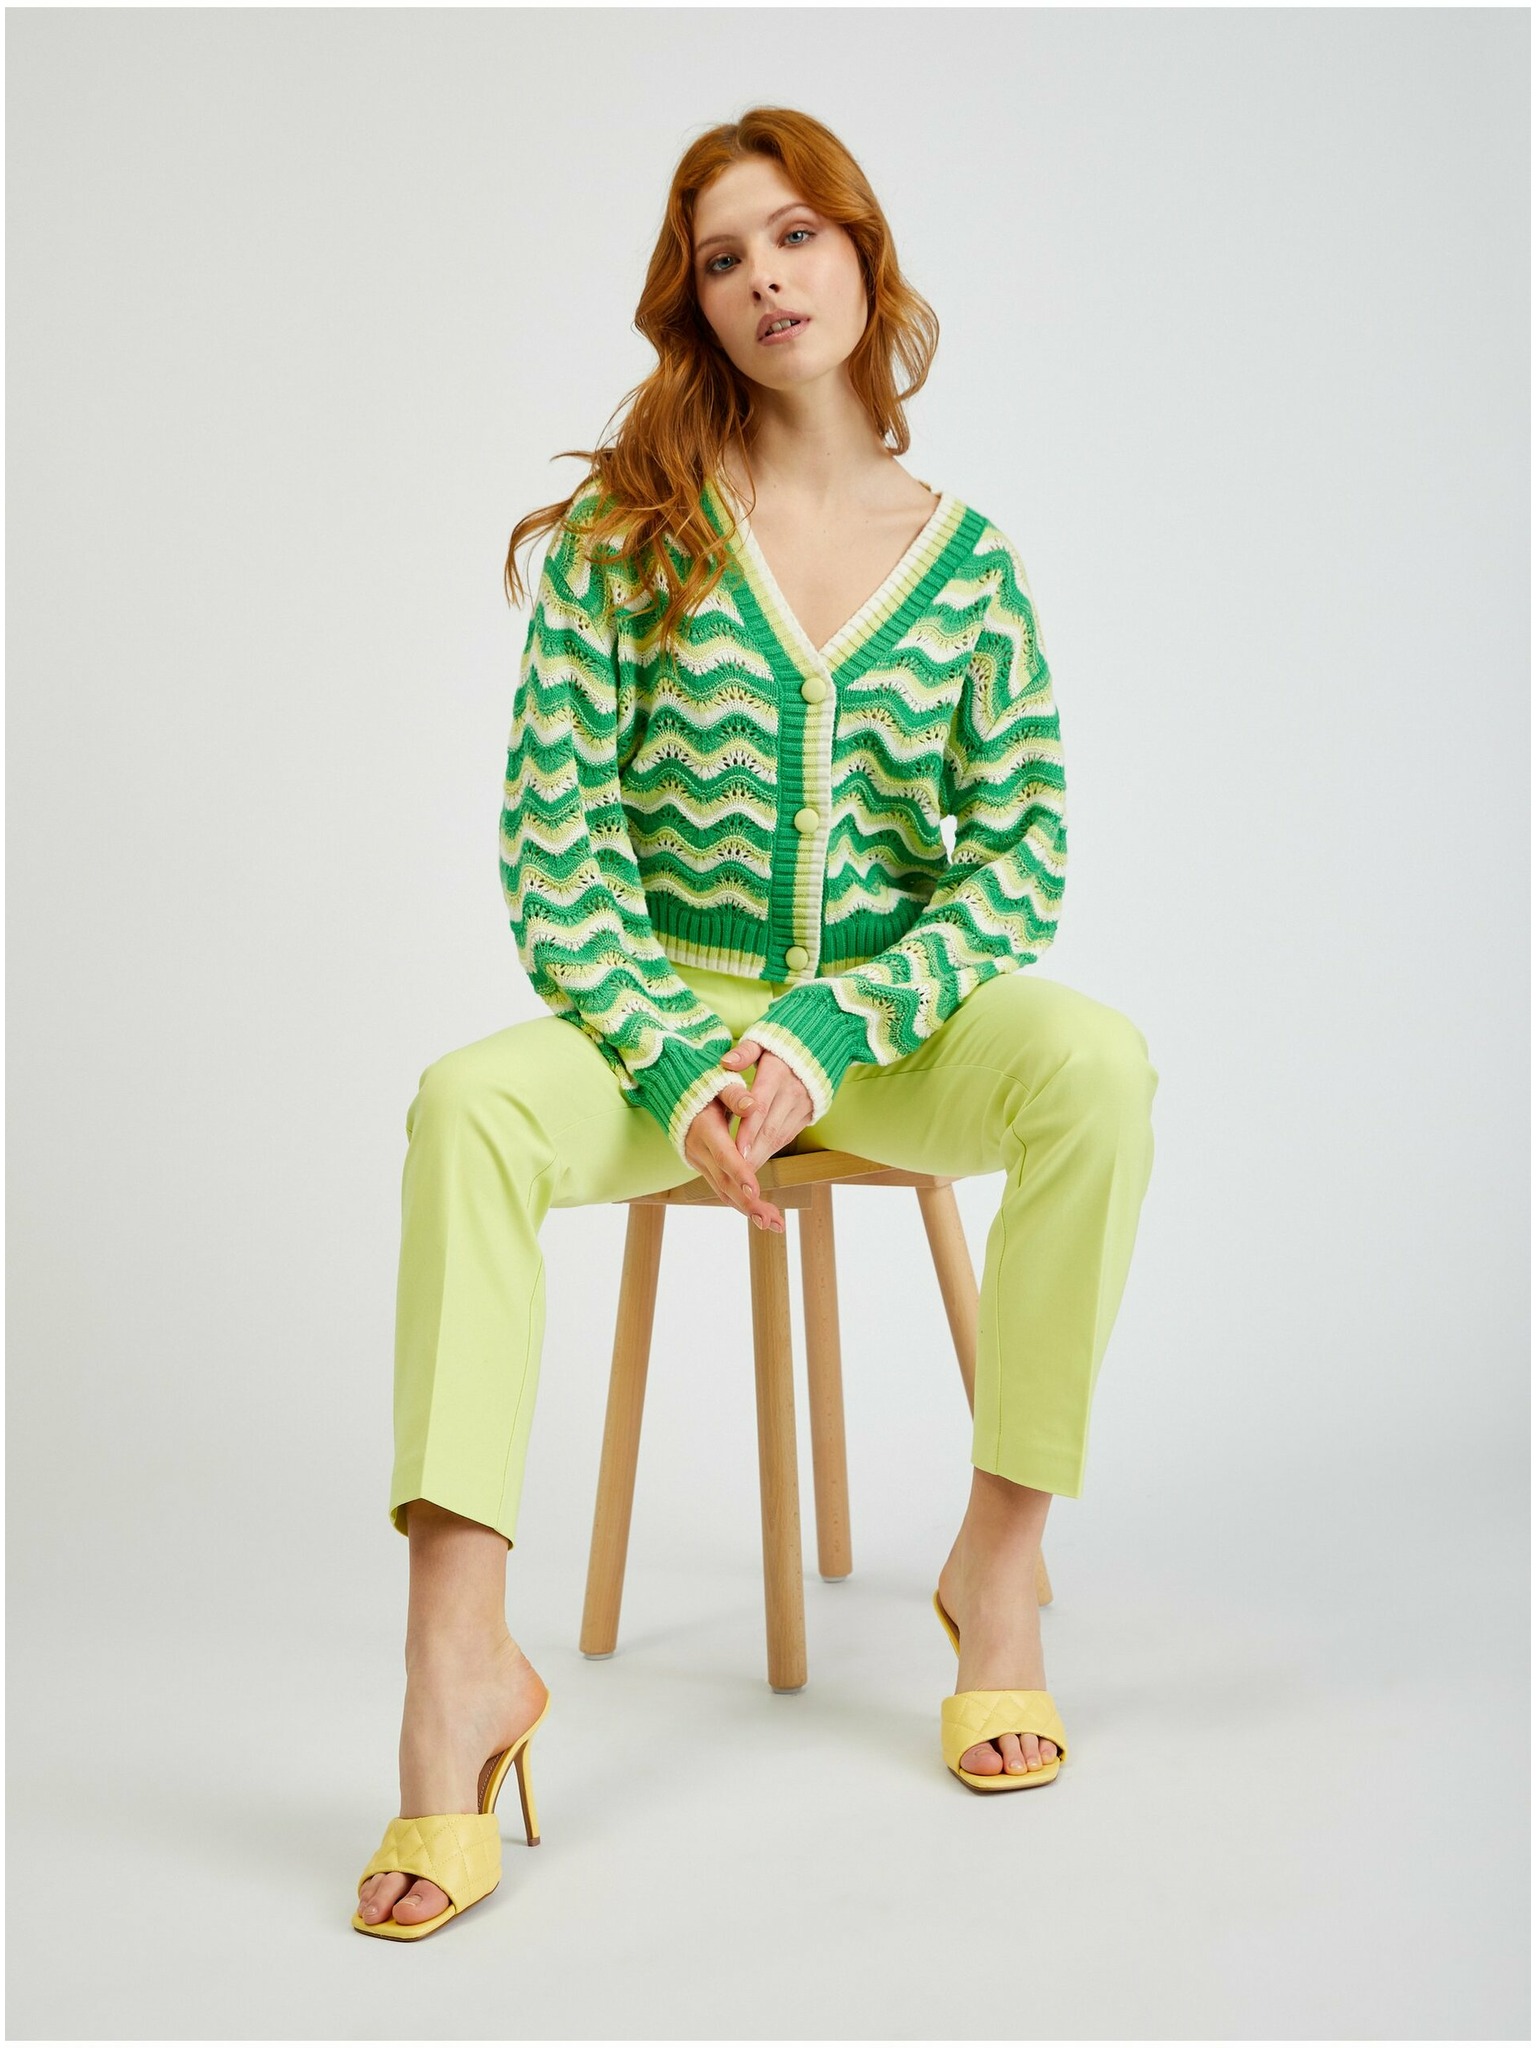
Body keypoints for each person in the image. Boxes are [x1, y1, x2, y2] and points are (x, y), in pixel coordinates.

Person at [354, 105, 1158, 1939]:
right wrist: (674, 1057)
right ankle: (456, 1671)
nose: (767, 278)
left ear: (863, 255)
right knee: (466, 1106)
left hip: (884, 1035)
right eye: (724, 258)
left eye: (796, 235)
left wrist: (823, 1035)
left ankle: (999, 1566)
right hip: (657, 1028)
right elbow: (558, 844)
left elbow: (1018, 858)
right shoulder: (631, 538)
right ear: (696, 305)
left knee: (1098, 1068)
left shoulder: (970, 567)